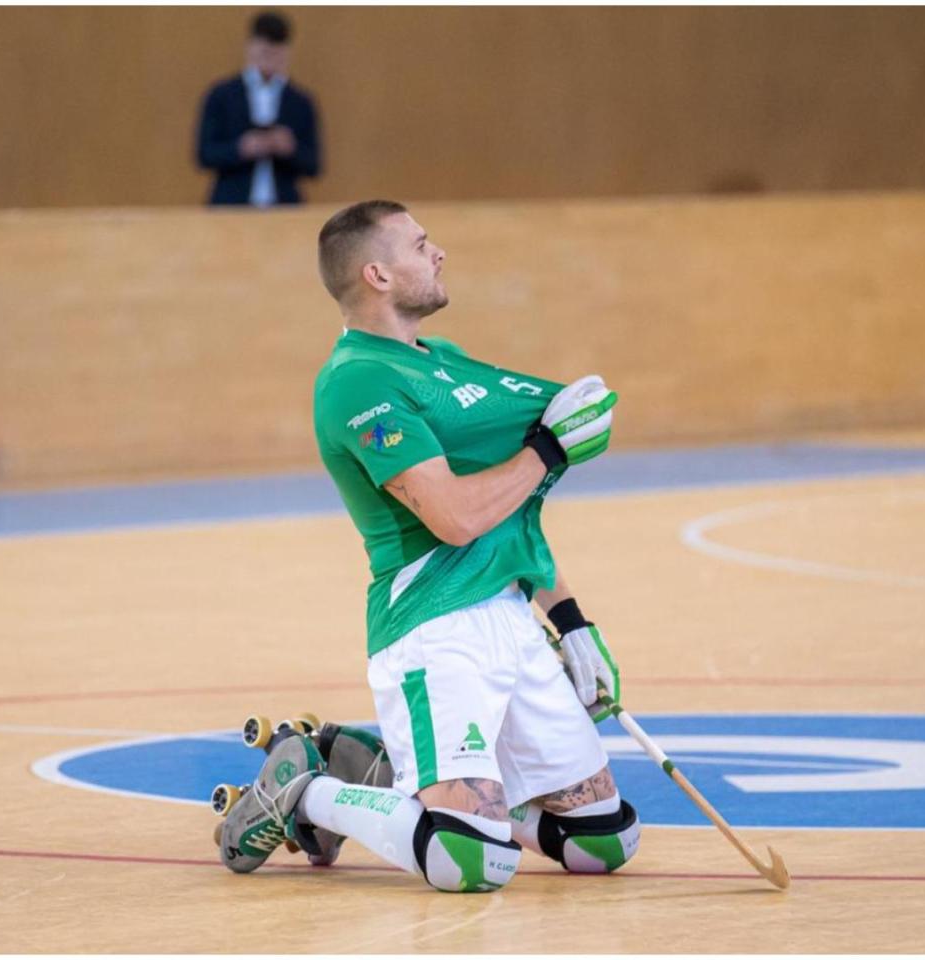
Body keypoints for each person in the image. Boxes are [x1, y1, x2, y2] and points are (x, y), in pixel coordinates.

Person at [214, 200, 640, 893]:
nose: (437, 252)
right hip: (434, 628)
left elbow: (510, 515)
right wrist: (549, 449)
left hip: (510, 619)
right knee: (470, 859)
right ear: (377, 275)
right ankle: (304, 792)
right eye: (419, 244)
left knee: (604, 839)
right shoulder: (357, 381)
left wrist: (571, 621)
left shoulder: (444, 363)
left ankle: (393, 774)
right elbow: (457, 518)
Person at [194, 11, 321, 207]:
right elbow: (204, 154)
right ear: (250, 47)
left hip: (284, 206)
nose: (269, 58)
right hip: (231, 205)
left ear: (286, 52)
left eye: (275, 51)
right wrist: (241, 148)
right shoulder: (222, 95)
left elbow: (314, 164)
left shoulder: (300, 101)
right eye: (264, 51)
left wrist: (289, 148)